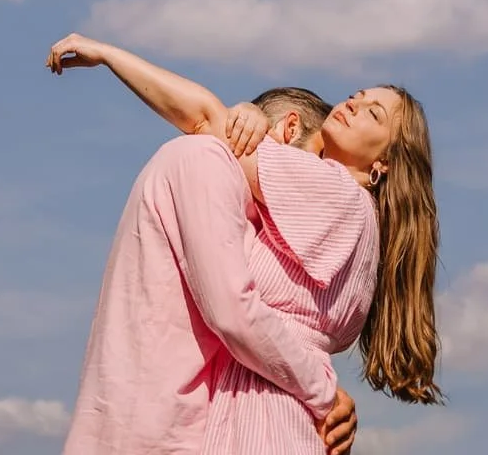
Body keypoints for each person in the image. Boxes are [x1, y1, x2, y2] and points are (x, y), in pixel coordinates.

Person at [50, 35, 441, 453]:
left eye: (373, 114)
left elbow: (204, 119)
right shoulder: (362, 231)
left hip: (261, 416)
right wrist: (325, 392)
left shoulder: (335, 192)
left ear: (383, 163)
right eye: (355, 97)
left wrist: (109, 54)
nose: (352, 106)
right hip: (282, 412)